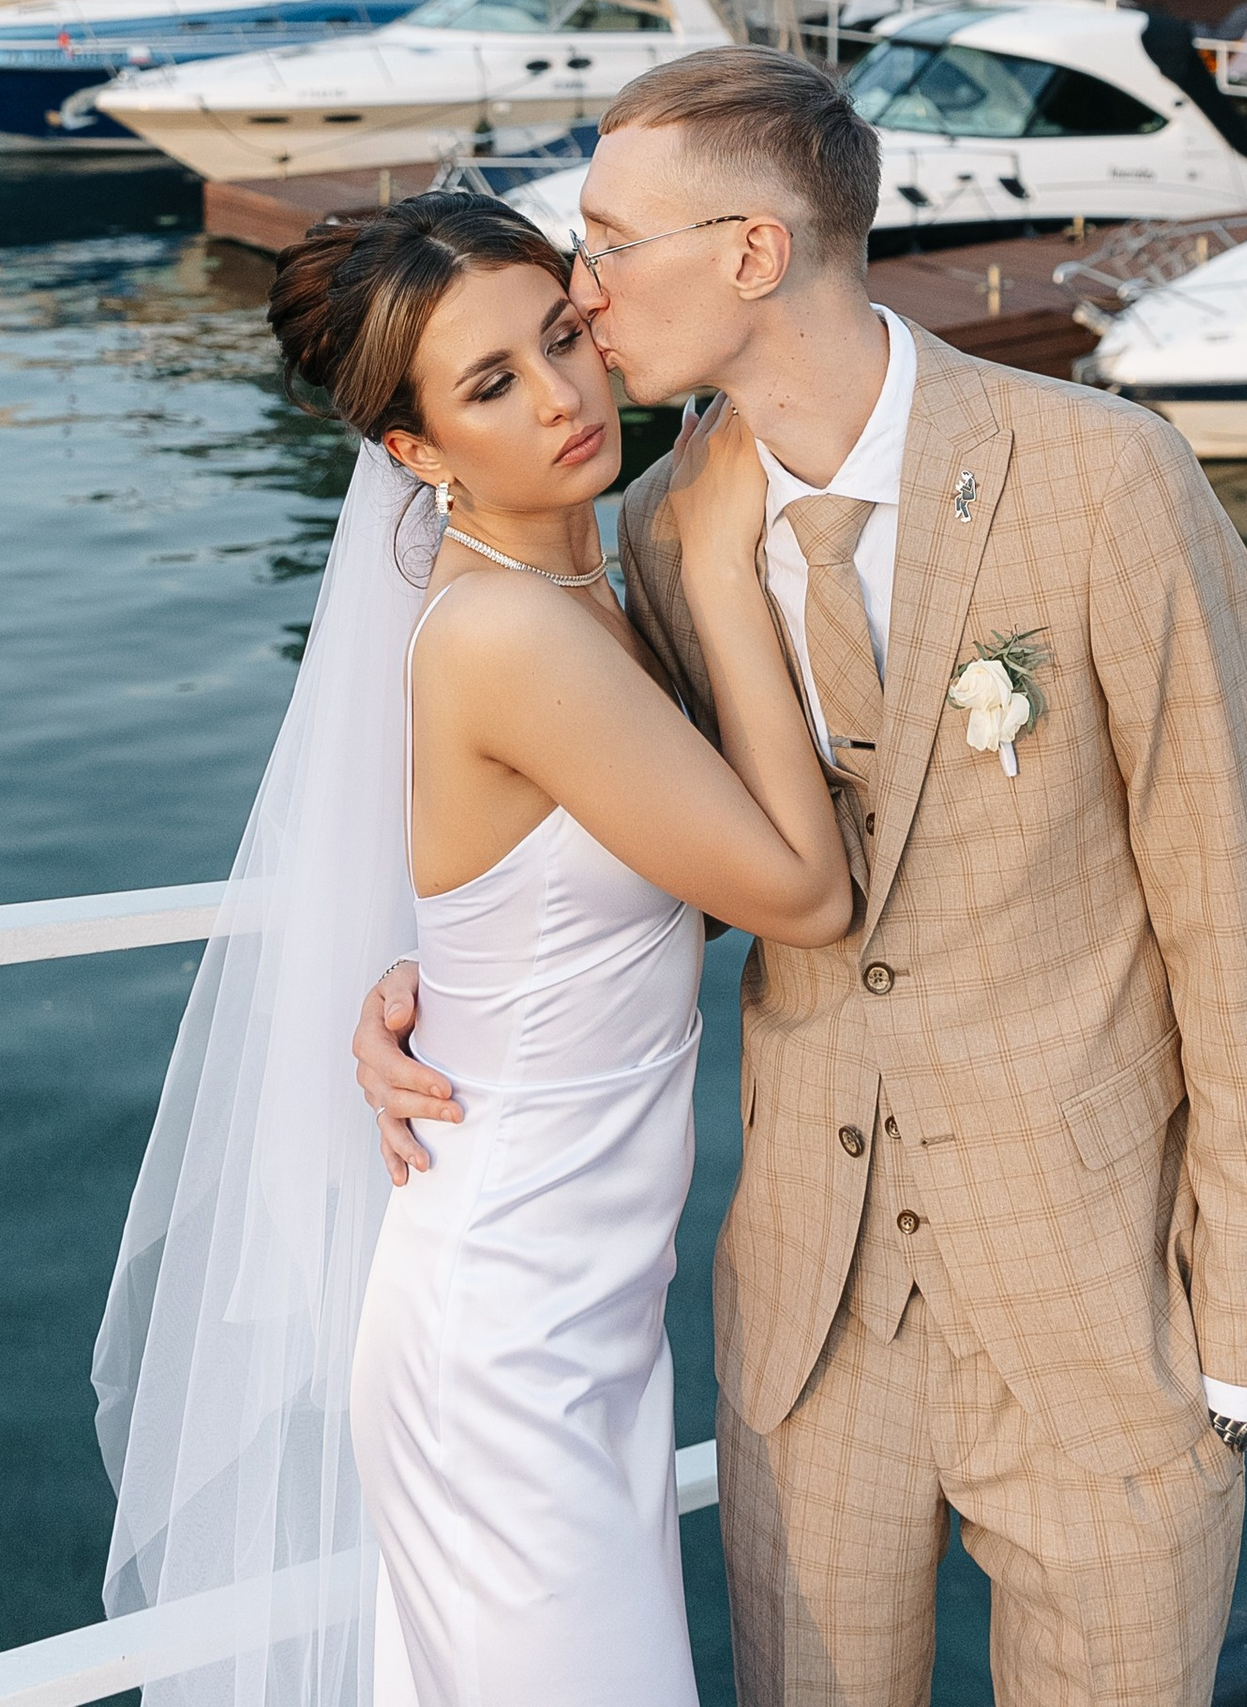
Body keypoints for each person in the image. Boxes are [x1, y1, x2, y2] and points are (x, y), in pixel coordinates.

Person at [358, 49, 1247, 1707]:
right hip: (807, 1335)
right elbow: (569, 824)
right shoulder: (654, 537)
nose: (582, 302)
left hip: (1103, 1319)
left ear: (750, 254)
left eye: (605, 246)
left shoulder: (1104, 478)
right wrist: (403, 994)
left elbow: (1234, 911)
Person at [93, 188, 849, 1707]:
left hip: (575, 1314)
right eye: (492, 384)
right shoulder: (517, 633)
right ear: (415, 452)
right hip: (505, 1342)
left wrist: (424, 989)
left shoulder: (578, 581)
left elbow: (597, 889)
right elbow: (804, 894)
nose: (565, 395)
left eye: (564, 334)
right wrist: (715, 569)